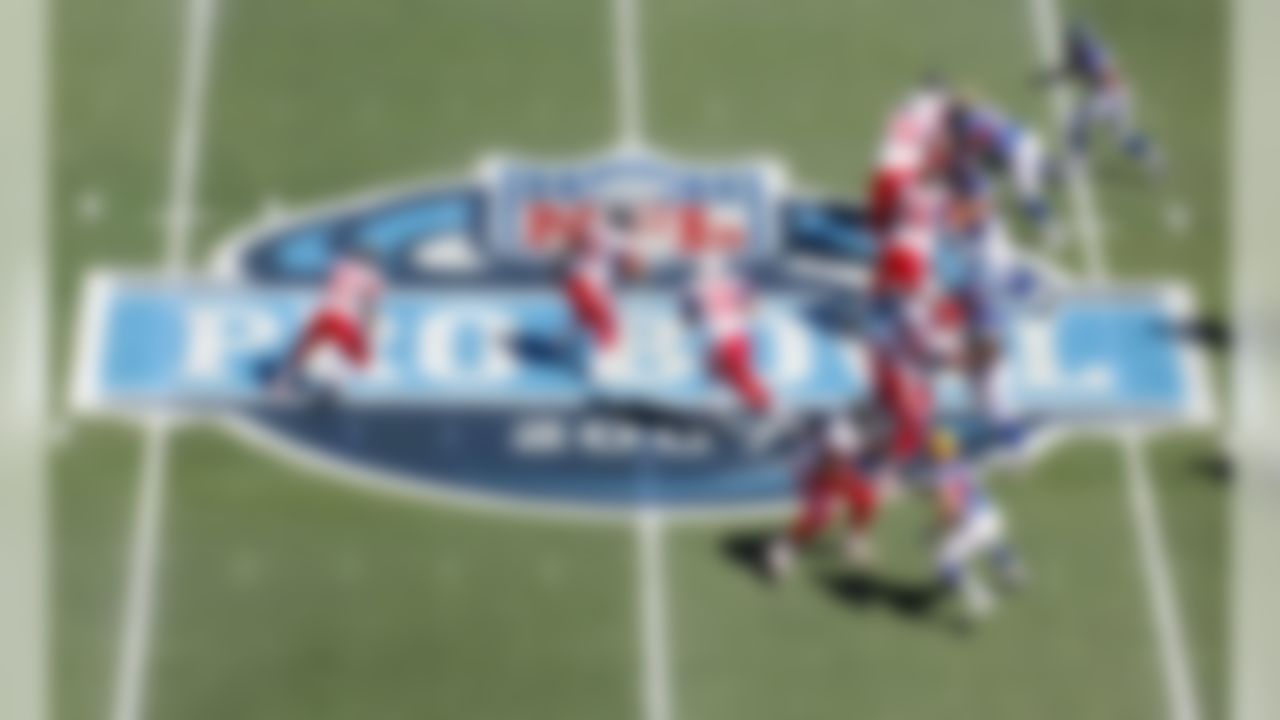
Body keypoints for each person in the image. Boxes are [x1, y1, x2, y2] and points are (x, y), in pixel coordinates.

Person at [927, 429, 1024, 622]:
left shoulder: (941, 475)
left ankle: (979, 598)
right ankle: (1014, 571)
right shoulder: (965, 465)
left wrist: (935, 529)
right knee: (992, 541)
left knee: (944, 562)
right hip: (991, 516)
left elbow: (951, 509)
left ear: (935, 452)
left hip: (972, 524)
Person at [273, 246, 384, 399]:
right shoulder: (372, 277)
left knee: (301, 350)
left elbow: (329, 281)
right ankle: (334, 384)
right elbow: (370, 306)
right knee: (357, 356)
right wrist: (368, 327)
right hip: (343, 318)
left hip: (323, 313)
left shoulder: (340, 267)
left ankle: (282, 385)